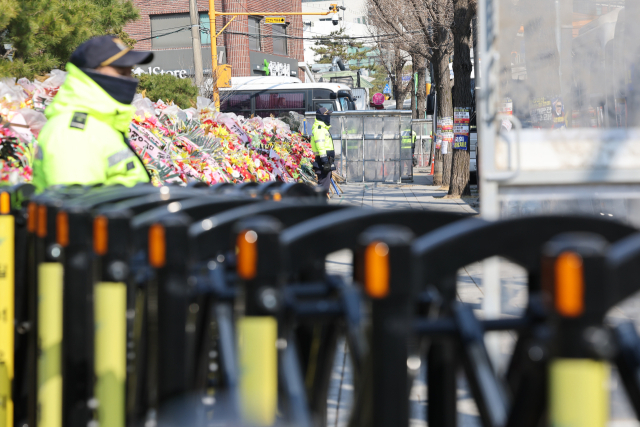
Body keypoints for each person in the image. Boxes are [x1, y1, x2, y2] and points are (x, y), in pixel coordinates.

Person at [33, 36, 154, 192]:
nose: (129, 80)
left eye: (129, 72)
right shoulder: (74, 133)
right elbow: (78, 208)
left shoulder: (98, 124)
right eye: (121, 72)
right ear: (91, 73)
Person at [310, 107, 335, 194]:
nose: (328, 116)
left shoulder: (323, 128)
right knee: (323, 183)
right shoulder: (319, 129)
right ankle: (319, 202)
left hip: (326, 159)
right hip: (323, 160)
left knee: (325, 182)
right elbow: (320, 146)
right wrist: (325, 161)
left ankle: (320, 200)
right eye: (326, 114)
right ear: (321, 116)